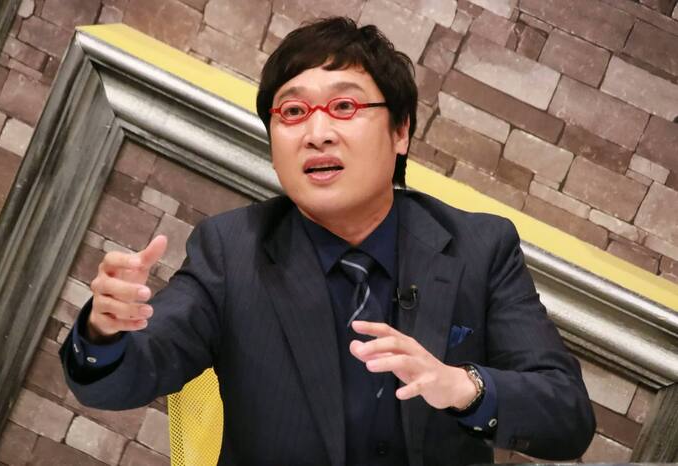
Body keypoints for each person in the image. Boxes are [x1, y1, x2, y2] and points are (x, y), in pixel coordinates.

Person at [60, 17, 595, 466]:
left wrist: (462, 386)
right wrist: (105, 332)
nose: (317, 134)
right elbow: (122, 378)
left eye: (344, 108)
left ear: (401, 131)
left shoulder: (480, 247)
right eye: (293, 113)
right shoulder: (231, 250)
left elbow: (568, 417)